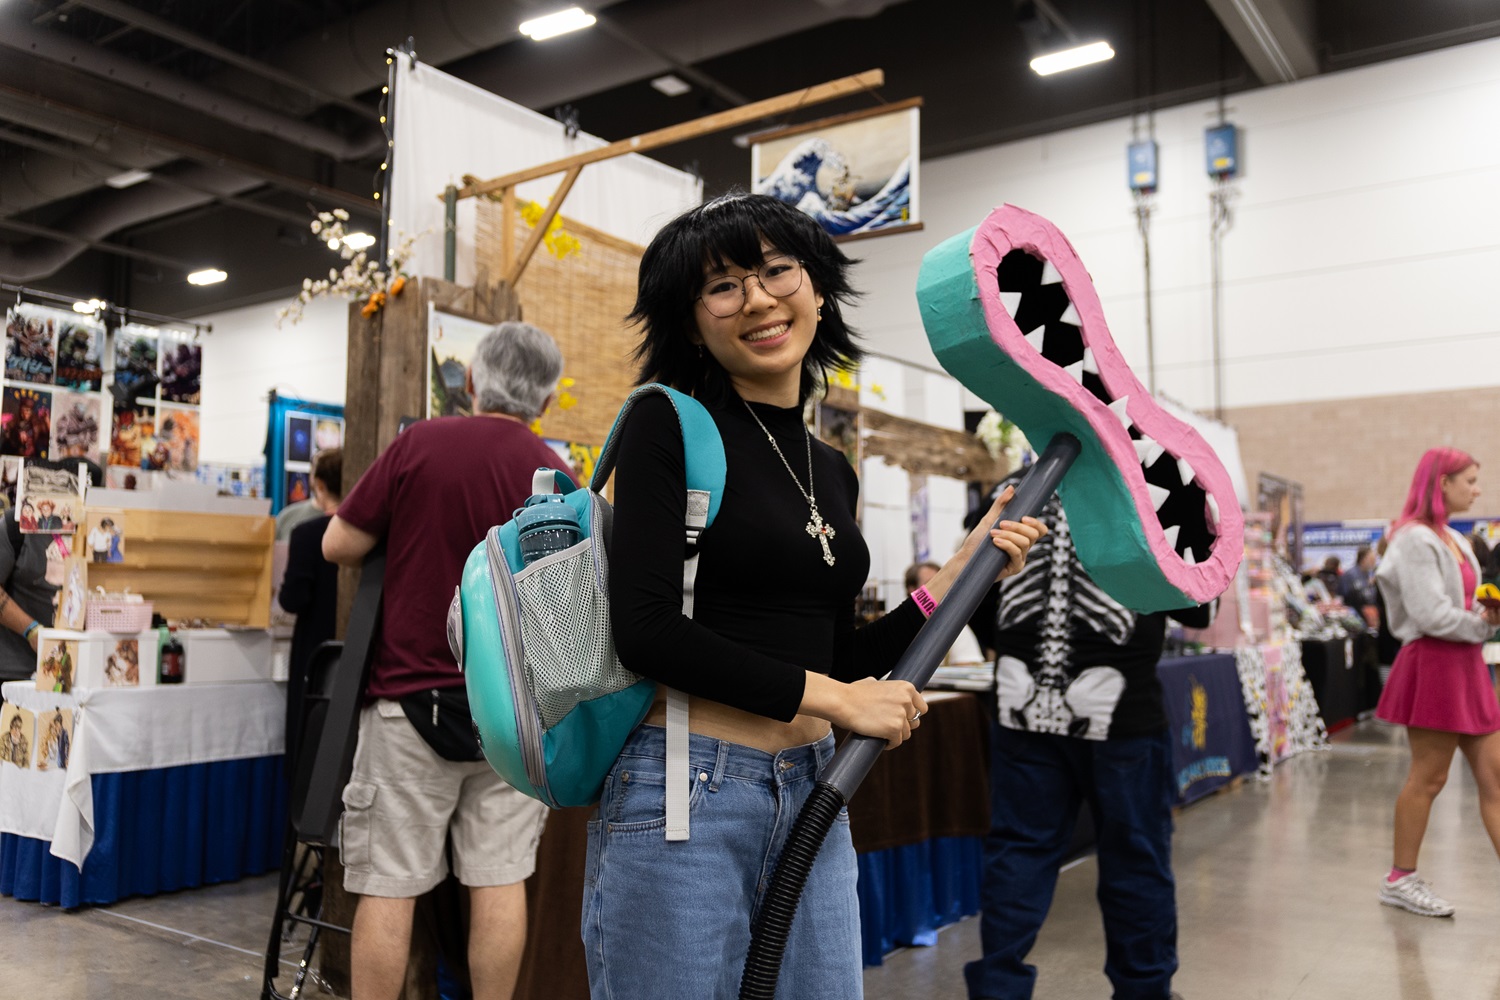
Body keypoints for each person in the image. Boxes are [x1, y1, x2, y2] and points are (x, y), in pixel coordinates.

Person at [589, 193, 1044, 999]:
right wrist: (839, 698)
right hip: (687, 793)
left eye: (775, 271)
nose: (758, 299)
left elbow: (841, 657)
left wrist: (957, 576)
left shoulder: (831, 468)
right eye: (722, 286)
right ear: (692, 323)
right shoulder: (669, 424)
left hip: (814, 786)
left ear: (818, 288)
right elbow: (648, 631)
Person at [323, 322, 568, 1000]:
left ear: (470, 380)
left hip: (412, 703)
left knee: (389, 886)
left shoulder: (419, 444)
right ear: (544, 400)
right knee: (499, 879)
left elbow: (338, 544)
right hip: (516, 714)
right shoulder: (555, 473)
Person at [965, 482, 1207, 1000]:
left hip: (1020, 703)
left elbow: (977, 596)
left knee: (1019, 852)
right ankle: (1144, 990)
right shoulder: (1155, 491)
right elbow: (1197, 607)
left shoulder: (1015, 487)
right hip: (1121, 715)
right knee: (1136, 857)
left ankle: (998, 990)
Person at [1372, 448, 1500, 917]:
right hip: (1436, 663)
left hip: (1466, 663)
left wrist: (1486, 613)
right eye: (1469, 480)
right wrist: (1486, 625)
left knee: (1495, 776)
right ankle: (1400, 879)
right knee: (1429, 777)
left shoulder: (1452, 538)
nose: (1477, 489)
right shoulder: (1412, 539)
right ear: (1442, 483)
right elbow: (1430, 615)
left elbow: (1459, 607)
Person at [0, 461, 102, 682]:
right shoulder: (17, 524)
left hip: (81, 672)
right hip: (17, 672)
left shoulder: (96, 530)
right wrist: (31, 630)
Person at [278, 447, 343, 766]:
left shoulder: (306, 534)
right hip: (355, 648)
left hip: (314, 651)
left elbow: (293, 599)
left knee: (307, 748)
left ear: (318, 484)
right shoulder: (373, 534)